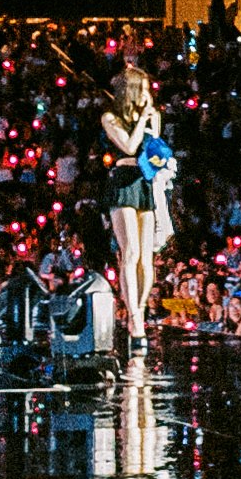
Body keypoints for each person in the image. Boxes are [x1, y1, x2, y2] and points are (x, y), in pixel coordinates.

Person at [98, 65, 175, 352]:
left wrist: (153, 121)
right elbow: (130, 147)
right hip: (123, 182)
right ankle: (133, 317)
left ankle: (139, 310)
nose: (147, 95)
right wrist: (143, 118)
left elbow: (153, 147)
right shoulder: (110, 117)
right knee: (129, 253)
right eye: (142, 90)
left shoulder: (151, 116)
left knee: (146, 258)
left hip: (144, 181)